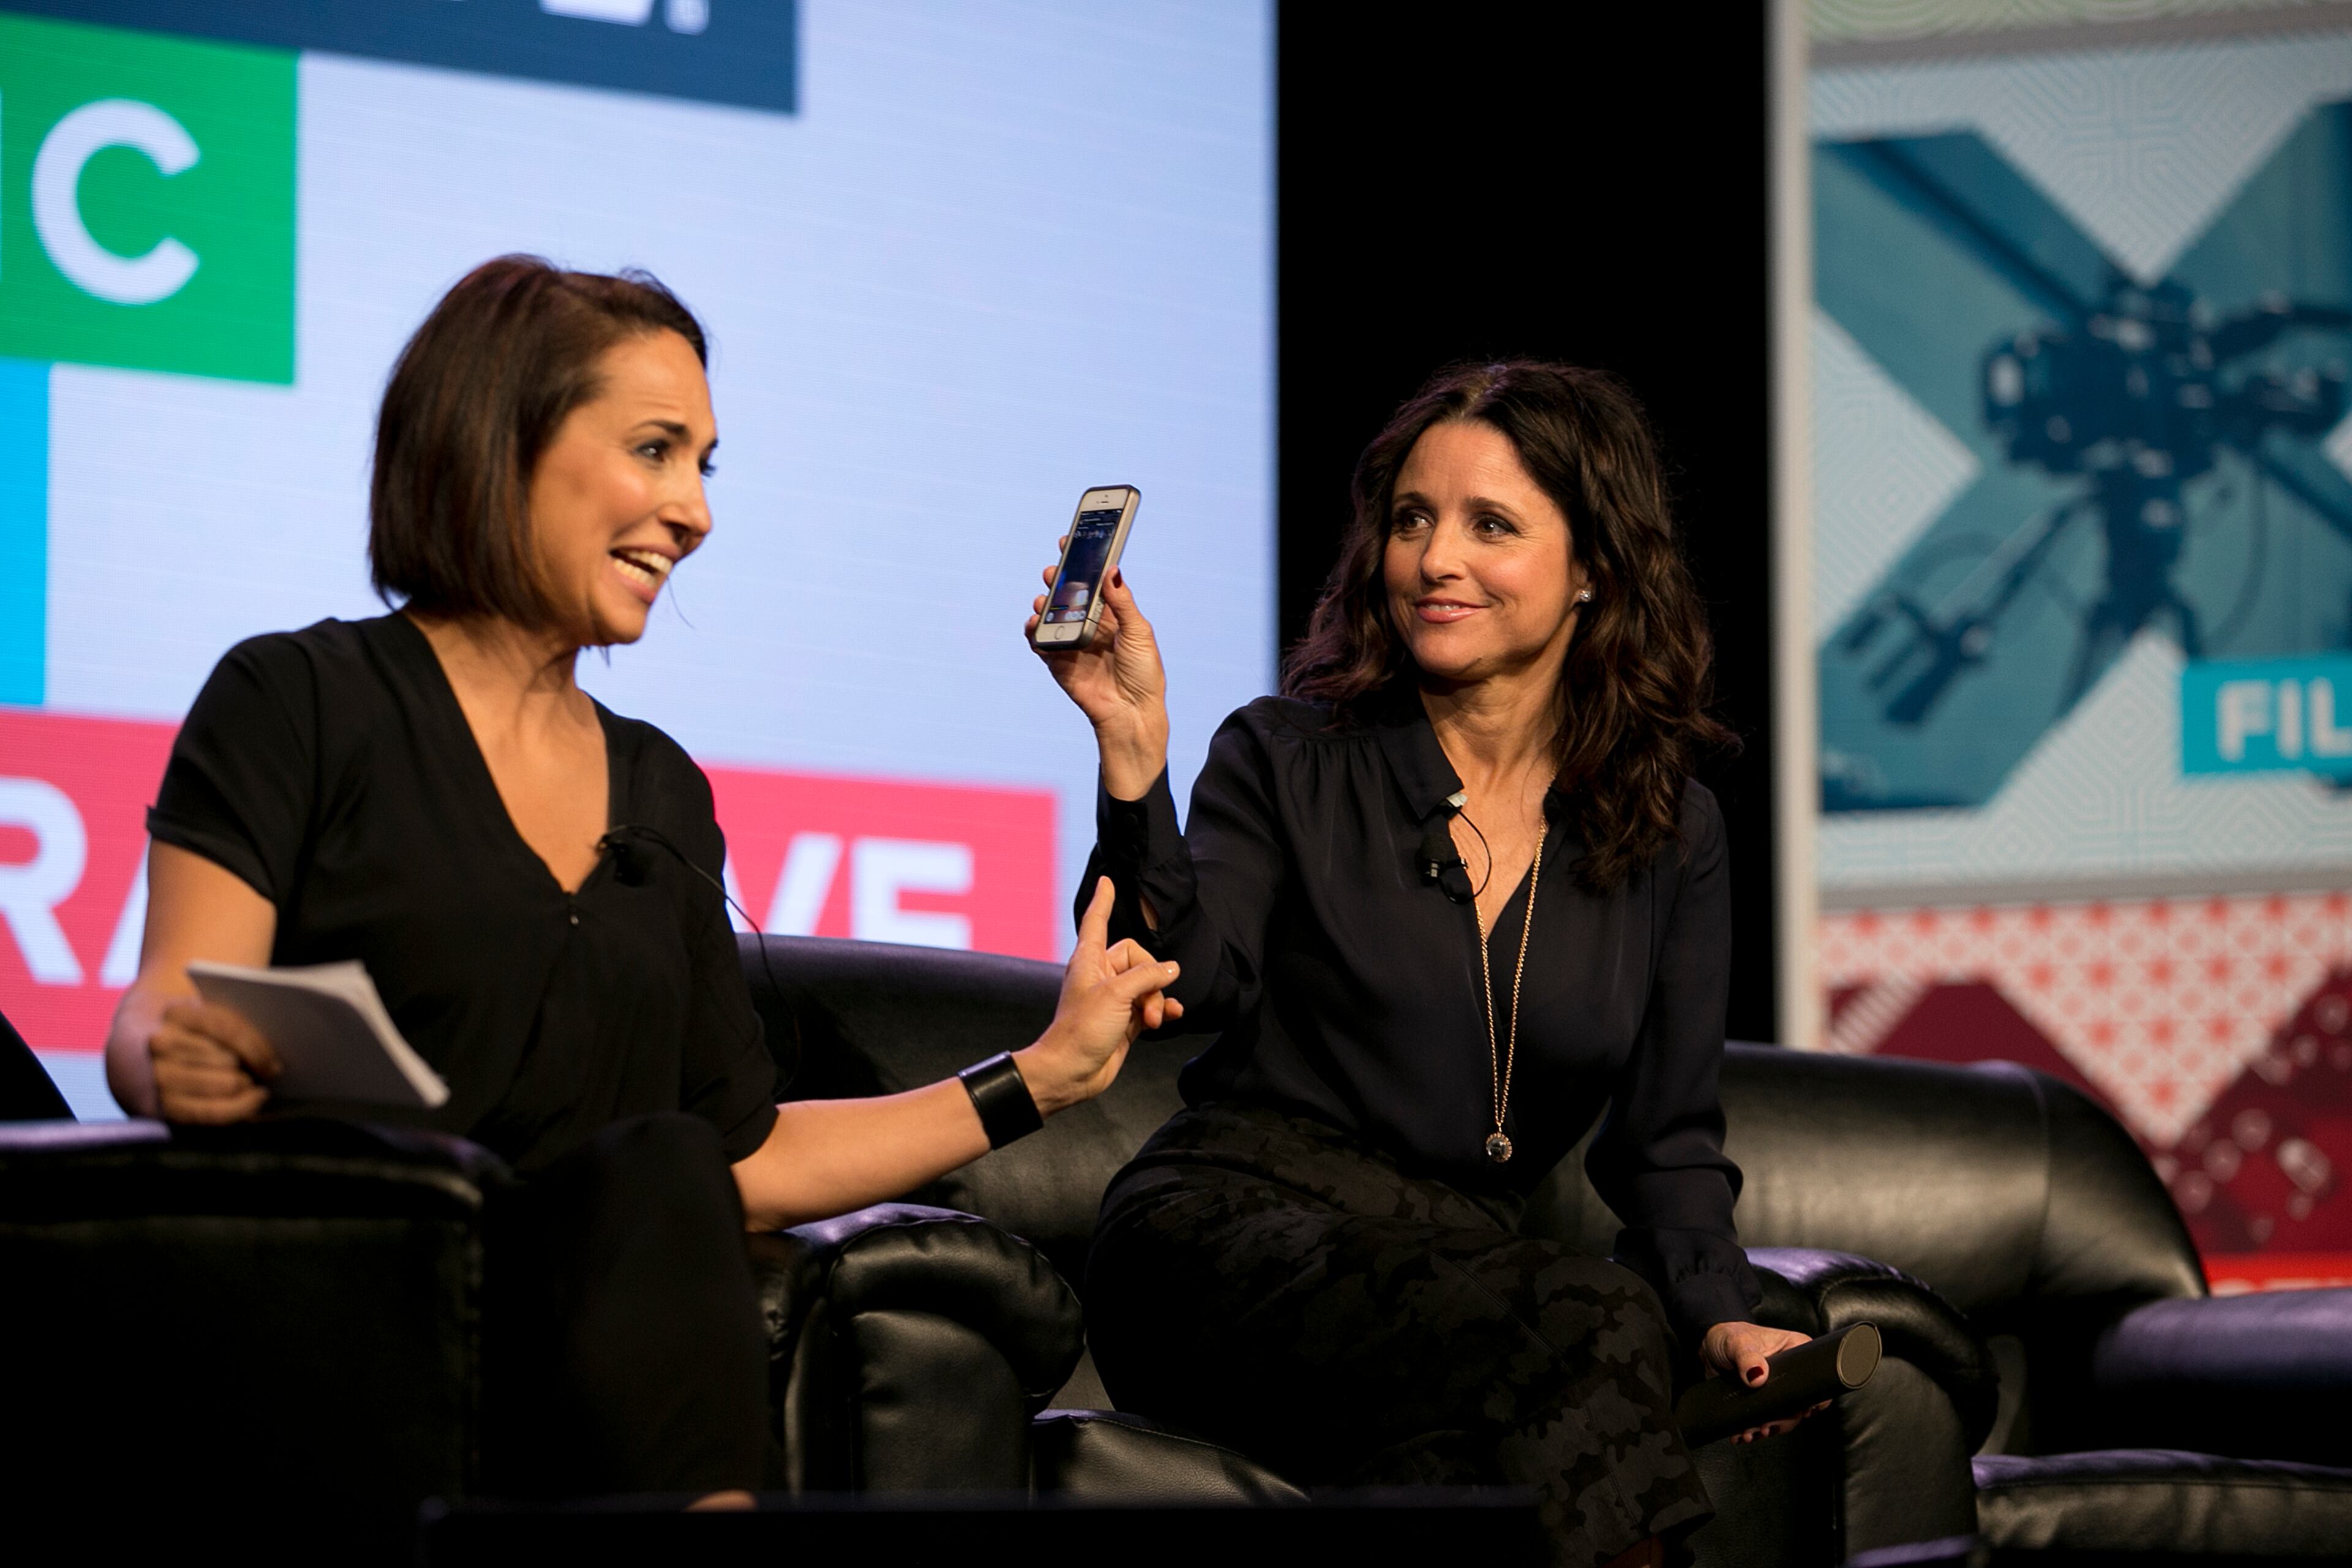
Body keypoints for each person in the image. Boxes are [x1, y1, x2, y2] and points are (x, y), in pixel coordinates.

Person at [102, 255, 1181, 1502]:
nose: (696, 511)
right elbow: (159, 1010)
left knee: (661, 1168)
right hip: (350, 1289)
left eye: (704, 466)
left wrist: (1041, 1076)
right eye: (656, 450)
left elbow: (743, 1156)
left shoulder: (661, 789)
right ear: (497, 438)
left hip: (581, 1342)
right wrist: (170, 1052)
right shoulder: (297, 698)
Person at [1030, 360, 1808, 1567]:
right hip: (1222, 1231)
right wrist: (1133, 752)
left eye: (1490, 523)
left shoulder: (1671, 829)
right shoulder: (1289, 755)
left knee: (1500, 1452)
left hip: (1465, 1277)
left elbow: (1665, 1142)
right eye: (1412, 519)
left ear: (1593, 565)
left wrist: (1721, 1307)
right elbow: (1184, 979)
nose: (1436, 558)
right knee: (1593, 1316)